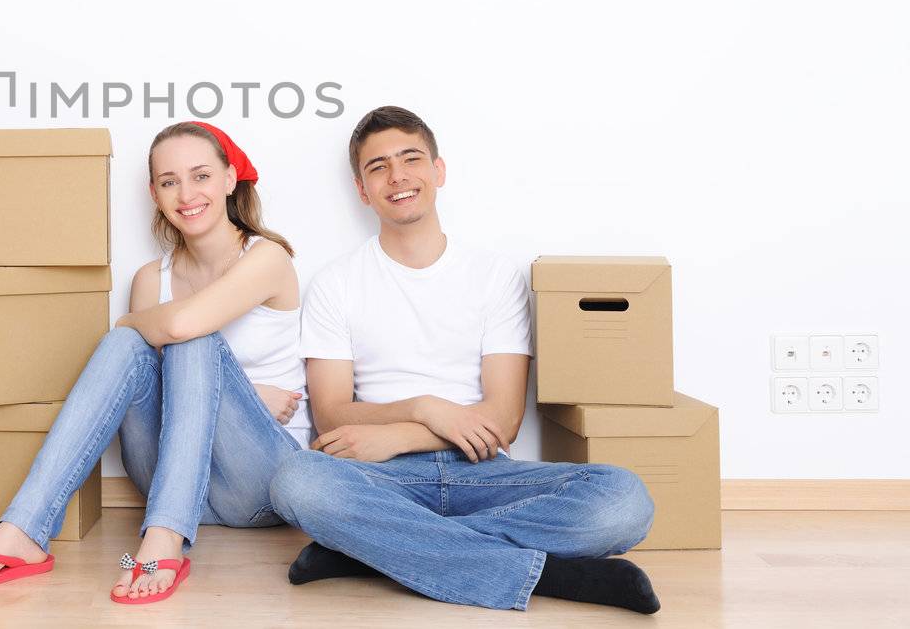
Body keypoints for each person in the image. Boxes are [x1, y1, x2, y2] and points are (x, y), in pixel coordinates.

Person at [269, 106, 662, 615]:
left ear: (438, 171)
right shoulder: (336, 283)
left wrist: (406, 431)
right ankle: (547, 573)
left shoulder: (494, 277)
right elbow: (331, 414)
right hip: (381, 476)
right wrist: (428, 406)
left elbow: (502, 420)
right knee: (297, 480)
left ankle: (375, 552)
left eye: (411, 158)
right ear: (363, 189)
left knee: (624, 500)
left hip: (482, 472)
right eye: (378, 166)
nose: (397, 176)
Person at [0, 121, 310, 604]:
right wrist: (246, 391)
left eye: (200, 176)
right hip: (171, 481)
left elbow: (178, 332)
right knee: (124, 345)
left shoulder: (268, 258)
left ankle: (164, 539)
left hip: (258, 484)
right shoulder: (152, 277)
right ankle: (23, 531)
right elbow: (150, 366)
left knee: (188, 338)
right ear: (154, 193)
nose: (186, 193)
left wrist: (148, 327)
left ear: (229, 180)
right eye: (169, 181)